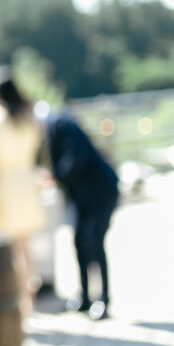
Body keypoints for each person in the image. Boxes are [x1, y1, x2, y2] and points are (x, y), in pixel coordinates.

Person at [0, 68, 46, 314]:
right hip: (27, 183)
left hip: (4, 185)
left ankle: (16, 299)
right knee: (26, 245)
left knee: (10, 248)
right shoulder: (29, 118)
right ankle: (29, 297)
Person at [41, 104, 119, 320]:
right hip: (84, 195)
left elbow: (75, 156)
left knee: (95, 242)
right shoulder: (58, 125)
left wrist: (55, 176)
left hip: (101, 191)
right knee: (78, 242)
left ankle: (103, 299)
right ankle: (85, 295)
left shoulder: (59, 125)